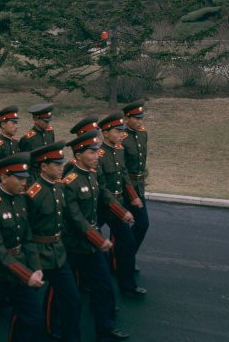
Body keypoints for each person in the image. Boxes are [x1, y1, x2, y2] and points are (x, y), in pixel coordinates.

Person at [63, 131, 129, 341]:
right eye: (92, 152)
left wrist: (122, 212)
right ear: (79, 154)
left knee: (104, 286)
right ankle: (55, 327)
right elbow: (75, 218)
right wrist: (99, 239)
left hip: (92, 241)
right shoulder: (70, 181)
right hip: (73, 244)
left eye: (96, 151)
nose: (97, 155)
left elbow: (104, 194)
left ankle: (106, 327)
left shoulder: (92, 174)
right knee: (64, 294)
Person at [0, 152, 44, 342]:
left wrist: (36, 267)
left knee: (33, 317)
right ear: (4, 177)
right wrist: (26, 274)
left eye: (26, 178)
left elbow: (27, 238)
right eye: (19, 178)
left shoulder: (21, 199)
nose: (24, 183)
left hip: (19, 269)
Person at [26, 142, 82, 342]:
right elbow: (26, 230)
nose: (61, 167)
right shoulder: (33, 194)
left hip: (58, 254)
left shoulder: (59, 187)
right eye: (57, 164)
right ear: (43, 166)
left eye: (62, 163)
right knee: (26, 307)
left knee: (73, 300)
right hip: (37, 255)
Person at [97, 112, 146, 296]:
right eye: (116, 131)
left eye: (120, 131)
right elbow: (102, 188)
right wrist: (120, 210)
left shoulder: (119, 150)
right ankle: (83, 281)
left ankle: (128, 285)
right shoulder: (99, 155)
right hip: (101, 207)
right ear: (105, 132)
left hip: (116, 205)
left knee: (127, 242)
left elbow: (124, 175)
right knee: (90, 245)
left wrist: (133, 196)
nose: (120, 135)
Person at [121, 101, 150, 262]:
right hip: (125, 188)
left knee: (143, 224)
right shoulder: (122, 138)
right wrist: (130, 192)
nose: (140, 122)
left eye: (141, 118)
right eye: (137, 119)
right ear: (127, 118)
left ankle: (127, 256)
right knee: (121, 228)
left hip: (139, 186)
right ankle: (121, 261)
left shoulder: (143, 133)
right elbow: (121, 168)